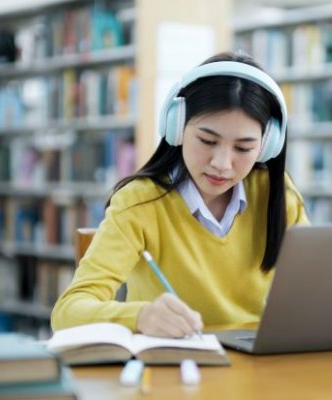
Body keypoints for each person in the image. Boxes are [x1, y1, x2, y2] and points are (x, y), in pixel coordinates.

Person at [51, 51, 309, 338]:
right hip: (174, 369)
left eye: (243, 148)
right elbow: (67, 312)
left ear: (267, 146)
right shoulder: (139, 202)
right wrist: (139, 316)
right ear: (177, 128)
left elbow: (315, 290)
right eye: (207, 141)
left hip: (262, 368)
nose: (222, 163)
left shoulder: (277, 194)